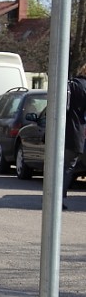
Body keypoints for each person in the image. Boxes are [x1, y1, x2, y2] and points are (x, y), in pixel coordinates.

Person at [62, 64, 86, 210]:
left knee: (58, 166)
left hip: (59, 132)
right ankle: (58, 199)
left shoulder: (71, 84)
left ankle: (52, 197)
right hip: (75, 133)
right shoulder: (84, 88)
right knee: (67, 167)